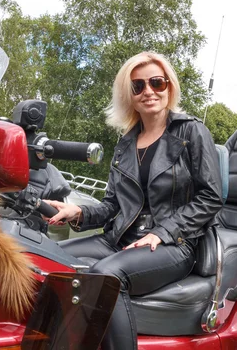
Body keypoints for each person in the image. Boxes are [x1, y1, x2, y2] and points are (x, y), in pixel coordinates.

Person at [44, 52, 223, 350]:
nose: (148, 91)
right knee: (48, 259)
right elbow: (112, 206)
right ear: (129, 94)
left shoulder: (190, 131)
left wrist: (163, 232)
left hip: (173, 243)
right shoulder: (125, 143)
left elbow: (211, 196)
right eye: (138, 86)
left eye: (156, 82)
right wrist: (78, 213)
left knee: (106, 275)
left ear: (169, 86)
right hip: (119, 238)